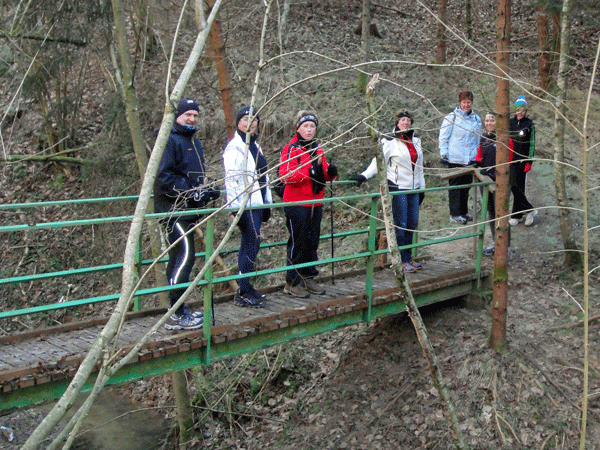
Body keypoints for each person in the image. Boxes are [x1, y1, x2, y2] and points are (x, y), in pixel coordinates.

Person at [154, 97, 220, 330]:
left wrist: (206, 191)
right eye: (187, 115)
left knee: (180, 258)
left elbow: (192, 176)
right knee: (184, 258)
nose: (192, 119)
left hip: (188, 210)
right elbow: (164, 178)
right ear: (177, 116)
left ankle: (180, 308)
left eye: (195, 115)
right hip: (173, 210)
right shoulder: (169, 140)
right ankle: (176, 311)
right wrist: (192, 193)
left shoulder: (193, 141)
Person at [351, 110, 426, 273]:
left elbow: (420, 167)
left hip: (414, 188)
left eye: (408, 120)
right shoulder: (389, 140)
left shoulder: (416, 140)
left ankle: (408, 257)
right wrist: (364, 176)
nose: (405, 123)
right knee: (402, 224)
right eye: (402, 120)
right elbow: (378, 161)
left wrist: (423, 188)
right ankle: (400, 260)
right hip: (399, 188)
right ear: (397, 122)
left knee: (412, 223)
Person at [279, 111, 338, 298]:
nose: (309, 129)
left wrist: (331, 173)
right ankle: (292, 281)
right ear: (298, 128)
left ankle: (308, 275)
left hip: (315, 201)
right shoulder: (291, 149)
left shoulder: (318, 148)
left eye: (312, 126)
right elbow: (285, 174)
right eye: (305, 126)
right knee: (298, 241)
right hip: (297, 202)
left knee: (312, 240)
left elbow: (322, 172)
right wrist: (308, 173)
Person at [223, 106, 272, 308]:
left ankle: (245, 287)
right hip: (245, 205)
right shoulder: (235, 148)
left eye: (254, 120)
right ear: (238, 123)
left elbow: (263, 176)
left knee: (252, 245)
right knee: (251, 244)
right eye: (246, 119)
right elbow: (232, 180)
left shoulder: (255, 146)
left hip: (257, 203)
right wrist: (238, 208)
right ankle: (243, 290)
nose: (250, 123)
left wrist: (267, 202)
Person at [439, 91, 482, 225]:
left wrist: (477, 156)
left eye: (468, 102)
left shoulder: (476, 119)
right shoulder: (451, 118)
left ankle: (463, 212)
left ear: (472, 103)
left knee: (466, 186)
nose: (466, 105)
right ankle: (454, 213)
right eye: (464, 102)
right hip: (455, 158)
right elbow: (443, 137)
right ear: (460, 103)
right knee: (455, 187)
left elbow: (477, 139)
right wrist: (444, 154)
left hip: (469, 159)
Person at [475, 112, 513, 256]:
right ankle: (495, 242)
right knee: (491, 212)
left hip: (501, 181)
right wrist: (476, 164)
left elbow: (509, 160)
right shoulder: (484, 137)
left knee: (501, 213)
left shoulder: (505, 138)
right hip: (485, 182)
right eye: (487, 120)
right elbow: (479, 155)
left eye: (492, 120)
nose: (489, 123)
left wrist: (494, 172)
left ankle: (506, 246)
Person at [509, 95, 537, 226]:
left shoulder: (529, 124)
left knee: (520, 187)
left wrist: (529, 162)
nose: (520, 112)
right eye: (518, 110)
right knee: (513, 185)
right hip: (511, 161)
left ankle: (517, 214)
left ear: (526, 111)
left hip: (523, 161)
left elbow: (532, 144)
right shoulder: (510, 122)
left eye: (522, 110)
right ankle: (530, 210)